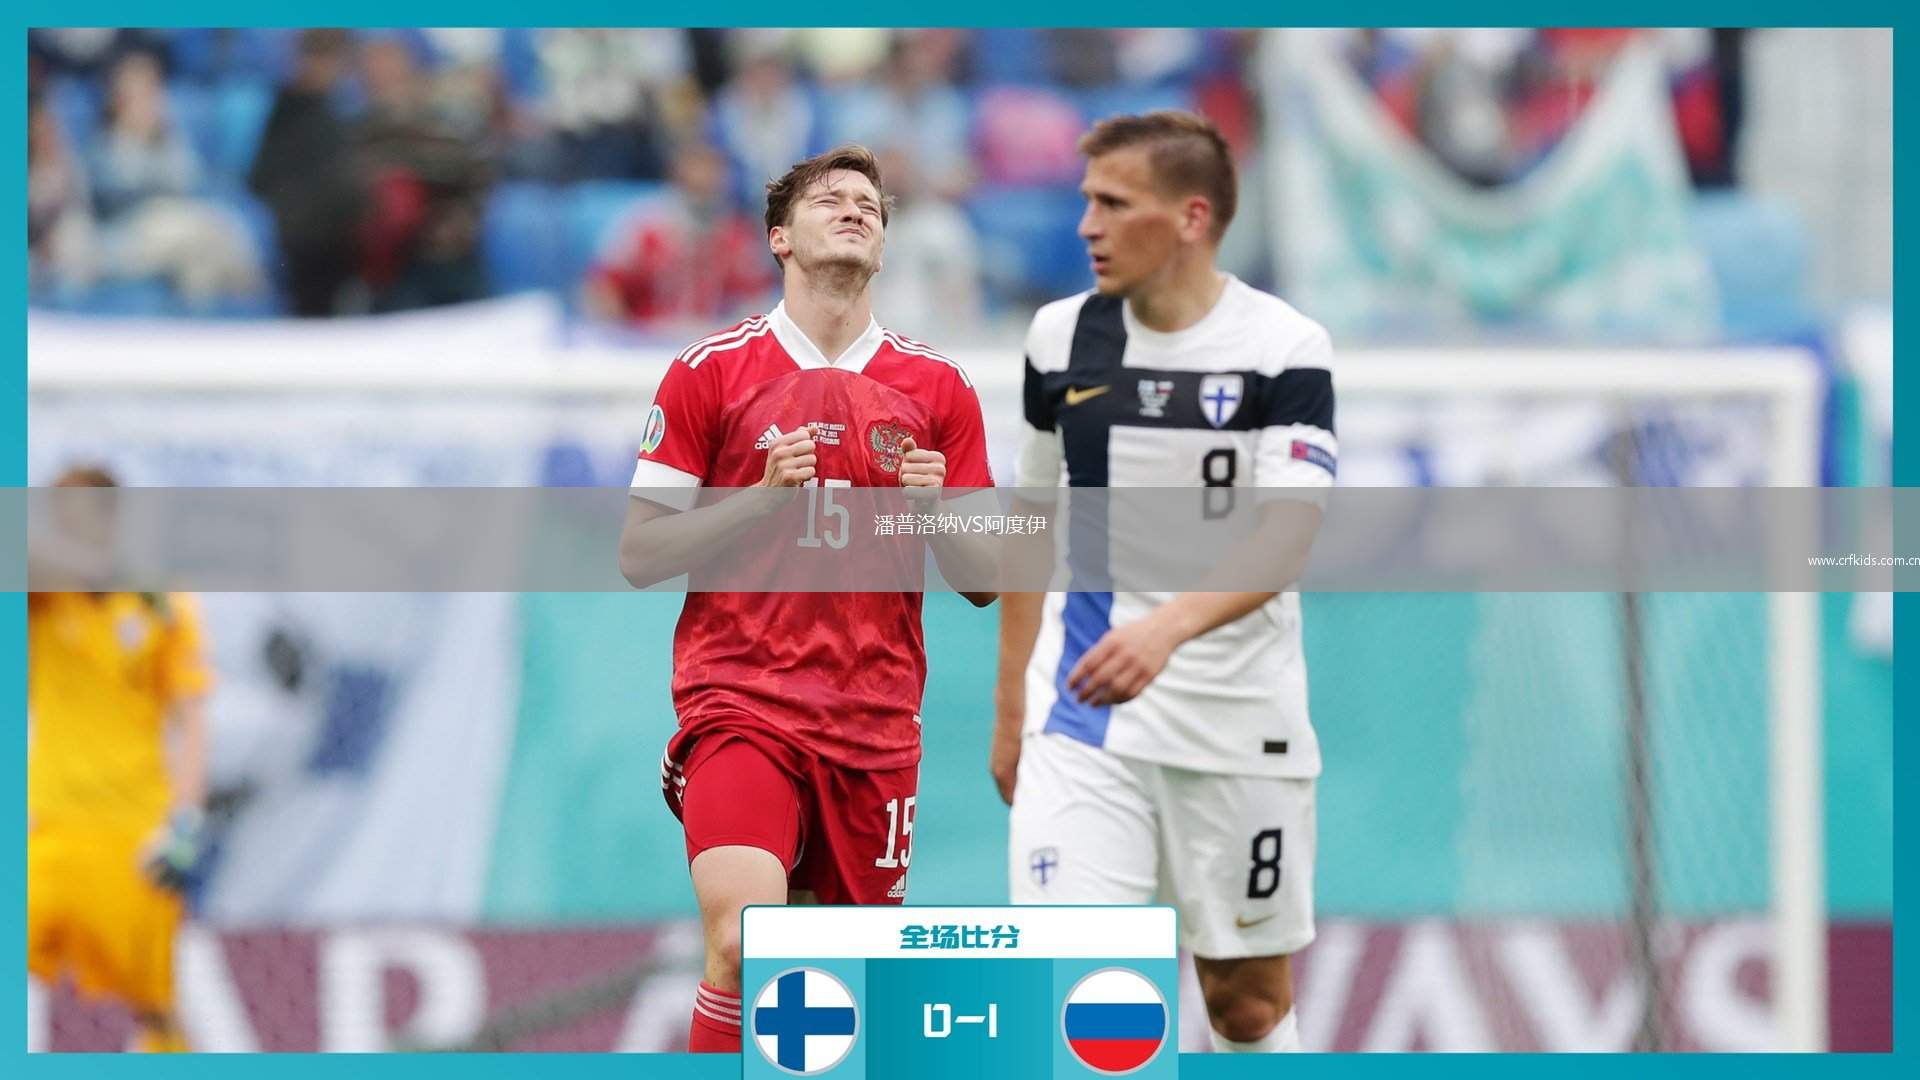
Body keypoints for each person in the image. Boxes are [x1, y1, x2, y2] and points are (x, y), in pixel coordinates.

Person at [618, 145, 997, 1054]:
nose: (855, 209)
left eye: (869, 203)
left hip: (874, 722)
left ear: (884, 245)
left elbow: (989, 578)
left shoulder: (939, 388)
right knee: (746, 943)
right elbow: (640, 552)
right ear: (779, 237)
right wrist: (755, 502)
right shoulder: (711, 370)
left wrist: (937, 513)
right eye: (830, 199)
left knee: (831, 984)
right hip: (743, 702)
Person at [992, 111, 1336, 1054]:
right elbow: (1030, 521)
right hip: (1081, 721)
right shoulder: (1060, 338)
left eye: (1113, 204)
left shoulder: (1284, 346)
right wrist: (1012, 707)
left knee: (1246, 1006)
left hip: (1237, 723)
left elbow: (1289, 534)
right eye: (1086, 202)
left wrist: (1167, 628)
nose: (1086, 227)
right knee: (1078, 996)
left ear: (1191, 218)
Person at [27, 465, 214, 1052]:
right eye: (64, 521)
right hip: (49, 829)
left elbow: (192, 716)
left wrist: (186, 820)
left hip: (134, 833)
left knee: (153, 1005)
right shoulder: (43, 597)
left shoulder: (161, 605)